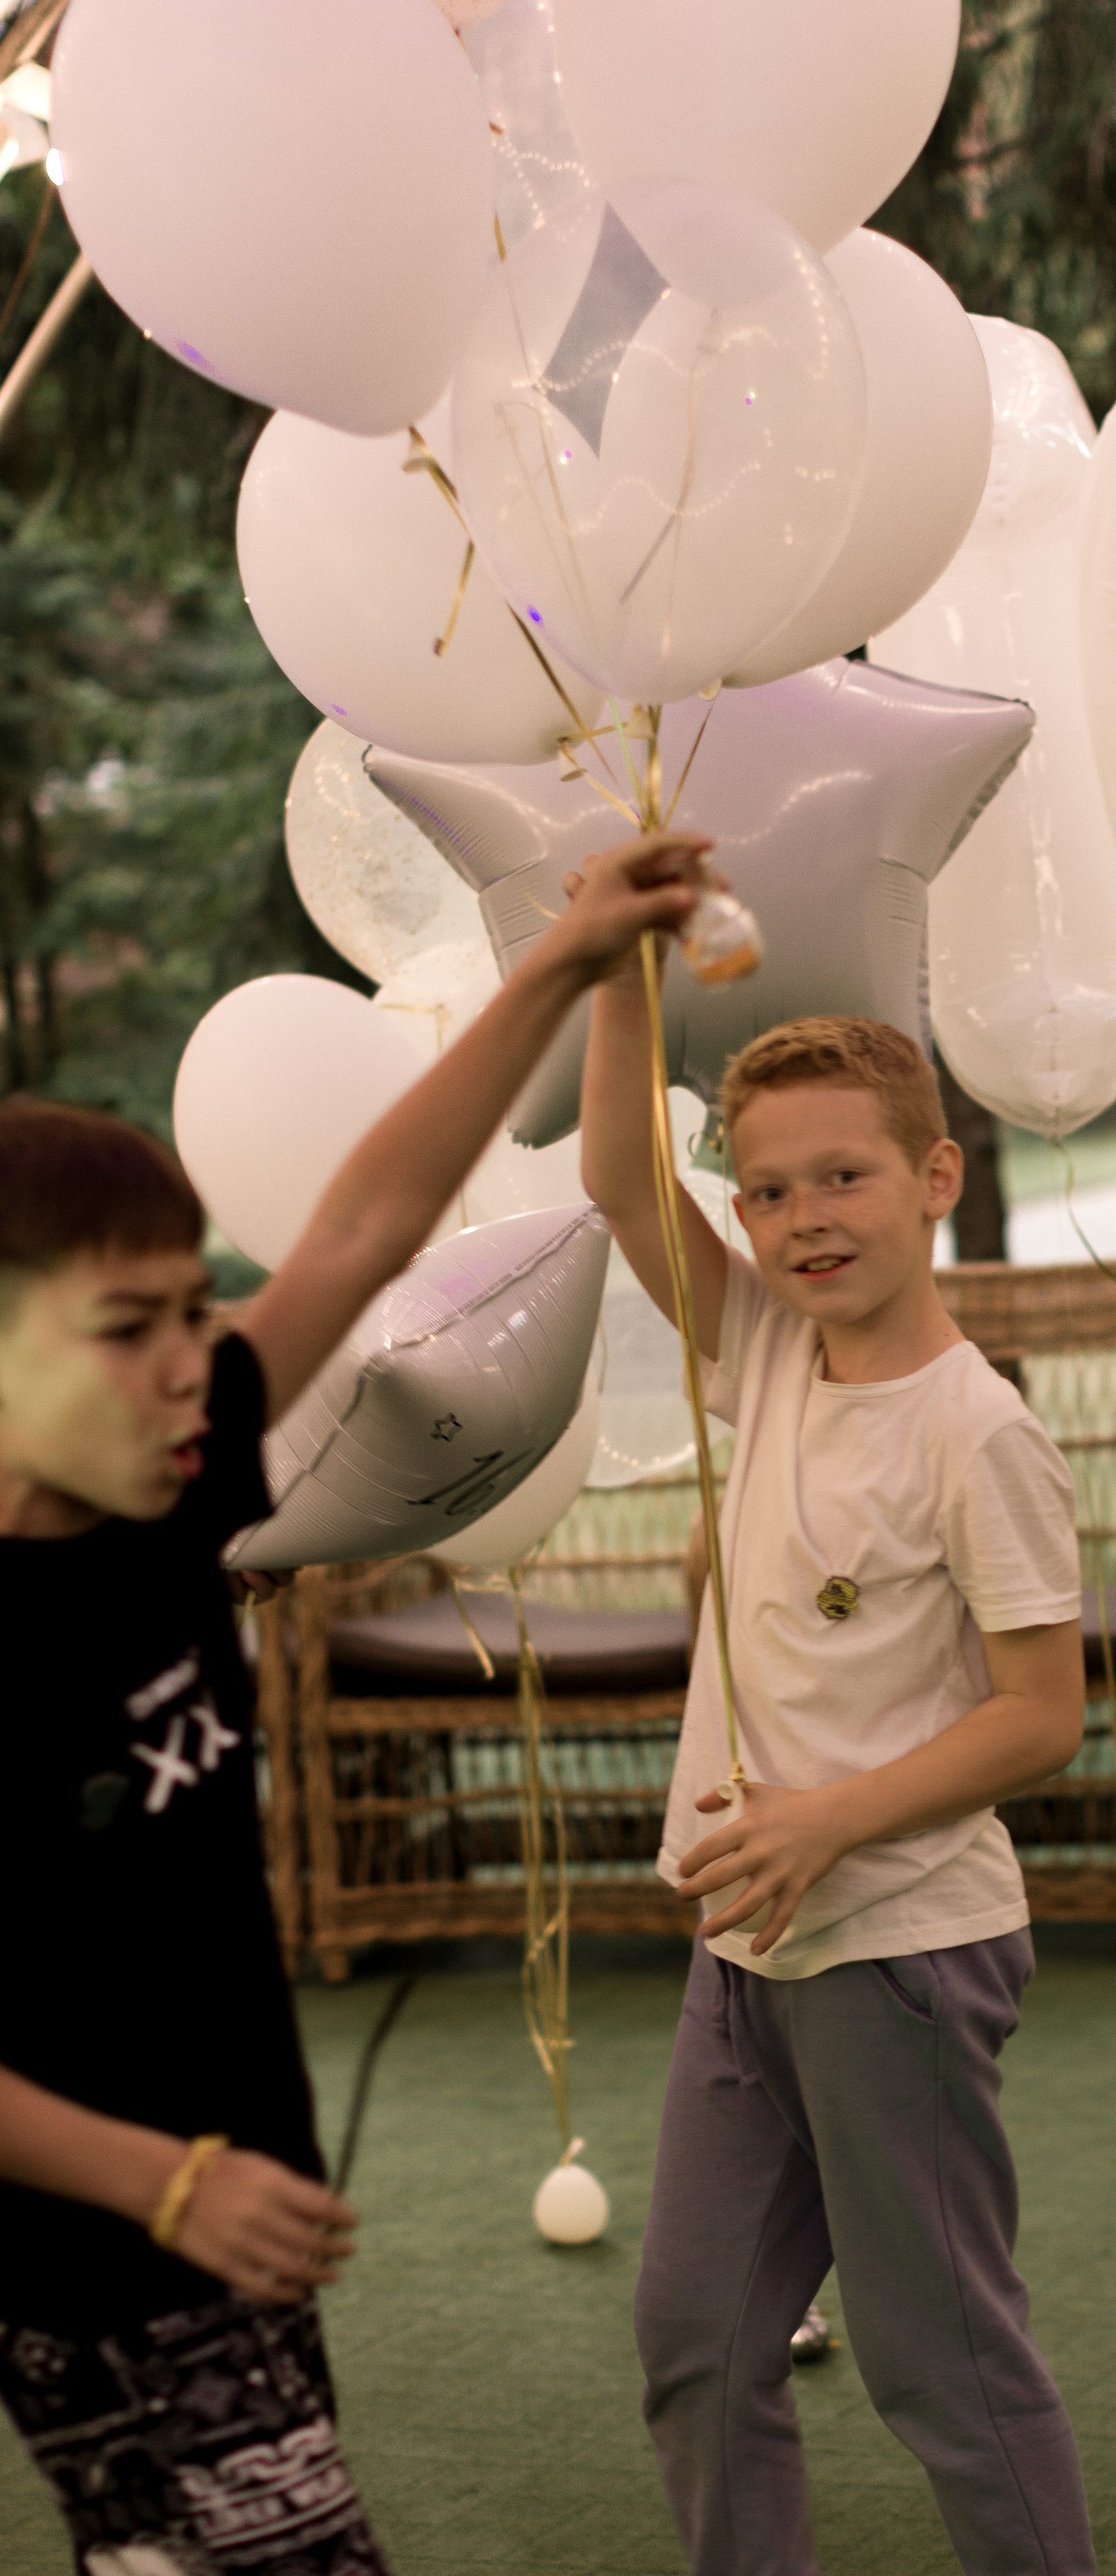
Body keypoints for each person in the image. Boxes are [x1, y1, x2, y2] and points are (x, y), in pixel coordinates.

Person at [0, 830, 707, 2576]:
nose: (193, 1357)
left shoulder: (176, 1478)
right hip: (114, 2233)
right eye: (124, 1328)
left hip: (210, 2210)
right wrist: (166, 2185)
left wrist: (553, 965)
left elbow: (368, 1222)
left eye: (194, 1311)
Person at [581, 986, 1098, 2576]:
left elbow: (1040, 1719)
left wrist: (823, 1820)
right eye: (766, 1188)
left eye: (842, 1177)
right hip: (742, 1952)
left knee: (939, 2365)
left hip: (901, 1961)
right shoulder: (768, 1351)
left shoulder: (977, 1436)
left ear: (937, 1179)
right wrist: (620, 967)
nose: (802, 1219)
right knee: (693, 2344)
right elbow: (616, 1179)